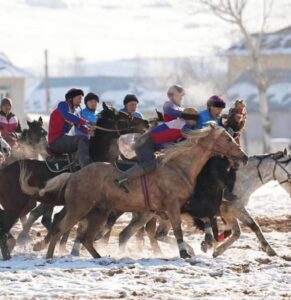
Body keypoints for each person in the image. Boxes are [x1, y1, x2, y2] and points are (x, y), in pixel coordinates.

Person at [114, 107, 200, 191]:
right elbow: (191, 135)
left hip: (147, 143)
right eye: (195, 120)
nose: (196, 123)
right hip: (146, 143)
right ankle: (121, 178)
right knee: (150, 164)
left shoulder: (180, 122)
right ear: (190, 119)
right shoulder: (184, 125)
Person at [48, 88, 92, 168]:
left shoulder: (74, 112)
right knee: (82, 139)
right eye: (78, 98)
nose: (80, 101)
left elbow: (79, 126)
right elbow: (67, 115)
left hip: (63, 139)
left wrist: (89, 131)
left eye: (81, 99)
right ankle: (85, 167)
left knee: (89, 140)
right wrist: (85, 122)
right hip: (55, 141)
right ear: (71, 98)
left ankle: (77, 165)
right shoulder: (62, 105)